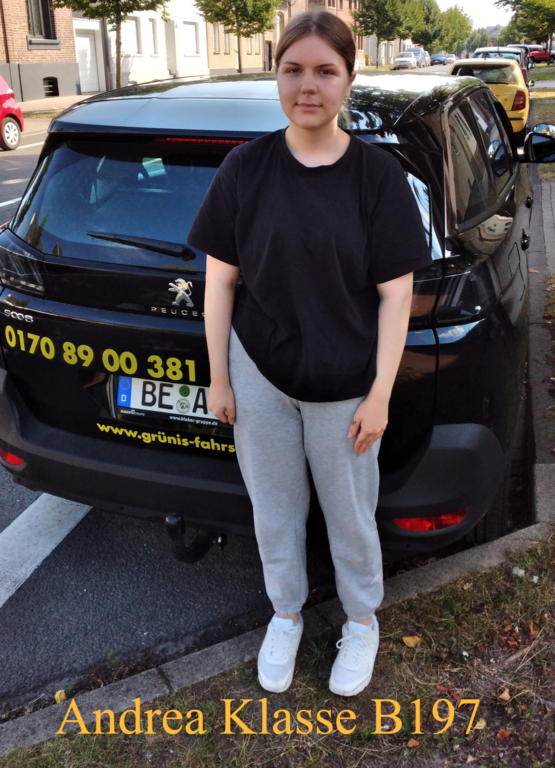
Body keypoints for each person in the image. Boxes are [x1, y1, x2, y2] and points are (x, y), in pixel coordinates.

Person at [188, 11, 432, 697]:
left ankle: (361, 620)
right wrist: (220, 379)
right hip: (260, 375)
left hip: (347, 383)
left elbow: (396, 295)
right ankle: (286, 614)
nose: (308, 86)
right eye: (293, 69)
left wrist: (380, 394)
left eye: (325, 71)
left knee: (350, 515)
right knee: (274, 509)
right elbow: (219, 283)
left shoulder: (376, 177)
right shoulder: (245, 168)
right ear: (276, 75)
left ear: (349, 78)